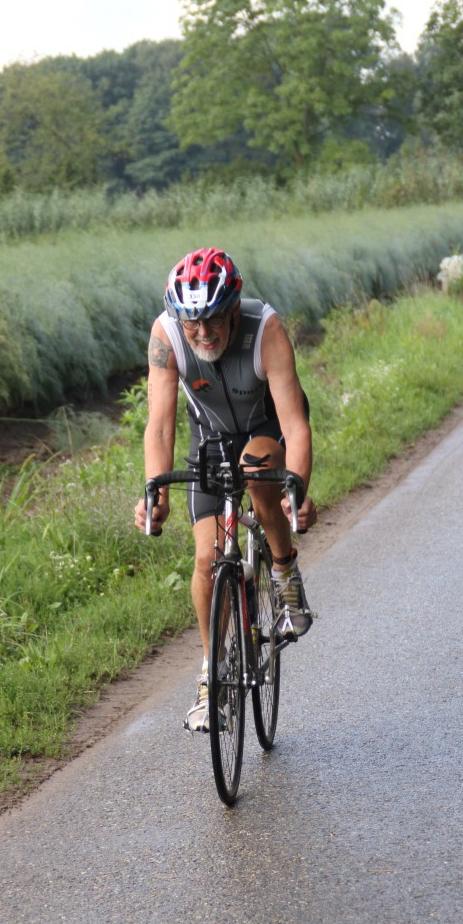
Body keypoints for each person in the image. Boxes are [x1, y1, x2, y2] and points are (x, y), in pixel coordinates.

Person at [134, 247, 317, 732]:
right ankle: (211, 678)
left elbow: (295, 425)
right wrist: (155, 493)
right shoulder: (166, 336)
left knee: (256, 470)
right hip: (210, 442)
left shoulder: (265, 329)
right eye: (191, 321)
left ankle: (284, 571)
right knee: (206, 558)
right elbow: (160, 426)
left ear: (234, 308)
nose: (202, 332)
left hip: (265, 432)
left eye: (213, 318)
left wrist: (297, 489)